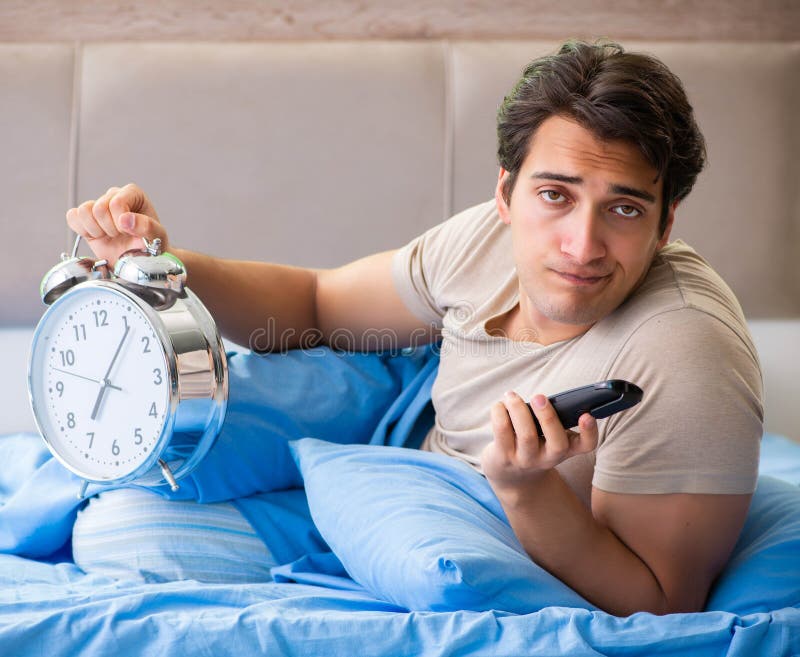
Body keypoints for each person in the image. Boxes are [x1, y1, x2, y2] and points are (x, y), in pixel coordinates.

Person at [66, 40, 762, 616]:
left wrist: (528, 491)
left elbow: (663, 604)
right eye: (555, 195)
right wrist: (163, 263)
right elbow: (315, 305)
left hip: (484, 533)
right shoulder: (486, 241)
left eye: (626, 209)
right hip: (400, 467)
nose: (582, 245)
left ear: (666, 224)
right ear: (505, 194)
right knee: (111, 520)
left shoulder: (683, 352)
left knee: (123, 538)